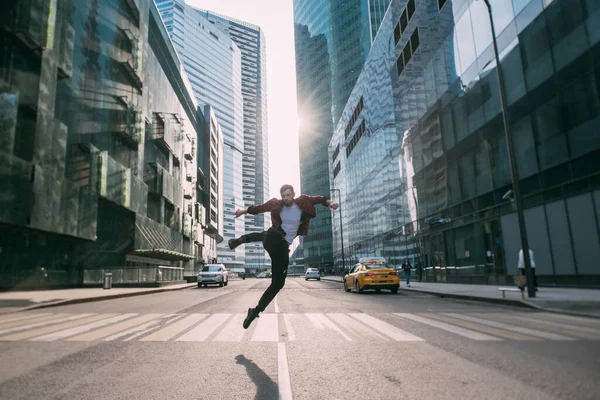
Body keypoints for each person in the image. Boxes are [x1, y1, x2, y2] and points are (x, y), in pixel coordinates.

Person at [228, 184, 338, 329]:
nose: (286, 198)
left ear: (293, 194)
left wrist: (330, 203)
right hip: (273, 239)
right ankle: (240, 240)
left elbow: (319, 199)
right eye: (283, 196)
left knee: (278, 284)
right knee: (272, 233)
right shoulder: (275, 204)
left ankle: (254, 312)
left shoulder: (303, 201)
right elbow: (259, 208)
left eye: (288, 195)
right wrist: (242, 211)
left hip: (282, 249)